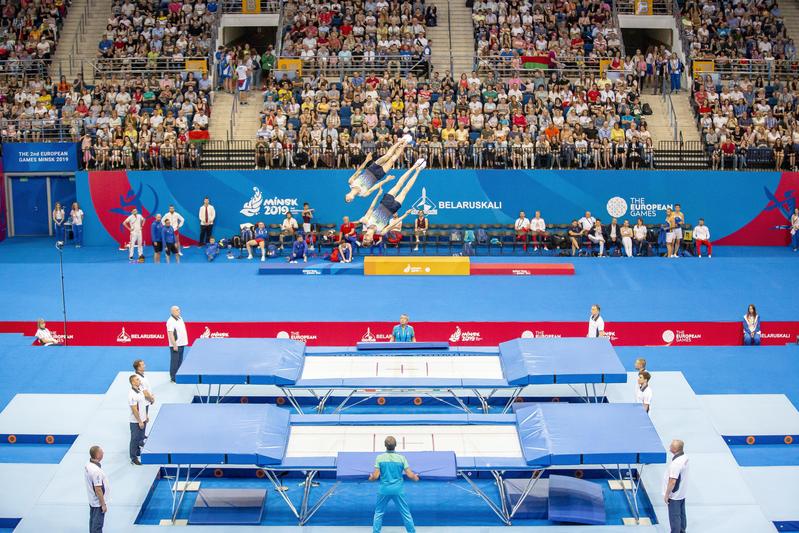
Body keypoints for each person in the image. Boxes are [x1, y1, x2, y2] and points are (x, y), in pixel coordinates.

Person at [358, 159, 425, 246]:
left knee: (399, 184)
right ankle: (418, 171)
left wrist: (378, 195)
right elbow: (393, 224)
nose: (365, 238)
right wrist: (405, 215)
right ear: (371, 240)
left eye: (364, 239)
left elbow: (371, 207)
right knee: (405, 190)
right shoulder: (381, 232)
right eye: (367, 240)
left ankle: (414, 166)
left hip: (384, 202)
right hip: (392, 209)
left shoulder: (365, 221)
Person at [369, 435, 420, 533]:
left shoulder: (379, 458)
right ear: (395, 445)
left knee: (378, 513)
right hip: (398, 490)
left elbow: (375, 476)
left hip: (384, 490)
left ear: (385, 445)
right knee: (406, 513)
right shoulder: (401, 458)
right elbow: (410, 475)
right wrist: (416, 478)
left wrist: (370, 478)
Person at [345, 137, 412, 202]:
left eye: (346, 199)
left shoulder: (351, 182)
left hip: (371, 169)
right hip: (378, 176)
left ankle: (401, 141)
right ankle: (404, 144)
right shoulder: (363, 194)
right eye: (349, 201)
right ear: (352, 199)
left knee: (387, 156)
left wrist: (366, 160)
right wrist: (386, 180)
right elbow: (375, 186)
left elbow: (359, 171)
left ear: (346, 195)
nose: (348, 200)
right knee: (392, 160)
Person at [664, 439, 689, 533]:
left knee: (674, 518)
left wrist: (667, 495)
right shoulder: (685, 457)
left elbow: (672, 481)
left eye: (671, 446)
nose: (669, 446)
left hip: (674, 495)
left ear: (674, 449)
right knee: (682, 515)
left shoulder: (676, 464)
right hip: (682, 492)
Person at [85, 445, 109, 533]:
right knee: (97, 526)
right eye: (102, 452)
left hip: (92, 499)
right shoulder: (96, 471)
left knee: (93, 522)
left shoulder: (88, 464)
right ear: (98, 455)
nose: (103, 453)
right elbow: (98, 489)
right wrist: (103, 504)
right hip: (98, 502)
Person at [128, 374, 147, 465]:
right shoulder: (132, 395)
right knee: (134, 439)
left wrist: (145, 416)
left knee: (141, 437)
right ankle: (133, 457)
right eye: (137, 380)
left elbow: (143, 405)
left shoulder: (139, 390)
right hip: (136, 421)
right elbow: (134, 410)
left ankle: (138, 451)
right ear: (133, 382)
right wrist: (139, 421)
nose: (139, 381)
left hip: (142, 419)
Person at [166, 305, 188, 381]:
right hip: (176, 345)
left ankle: (178, 375)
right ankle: (173, 377)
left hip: (182, 344)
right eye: (177, 310)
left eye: (179, 309)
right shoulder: (170, 321)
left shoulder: (180, 318)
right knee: (174, 362)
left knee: (180, 361)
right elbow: (170, 334)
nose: (179, 311)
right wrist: (174, 345)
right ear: (172, 311)